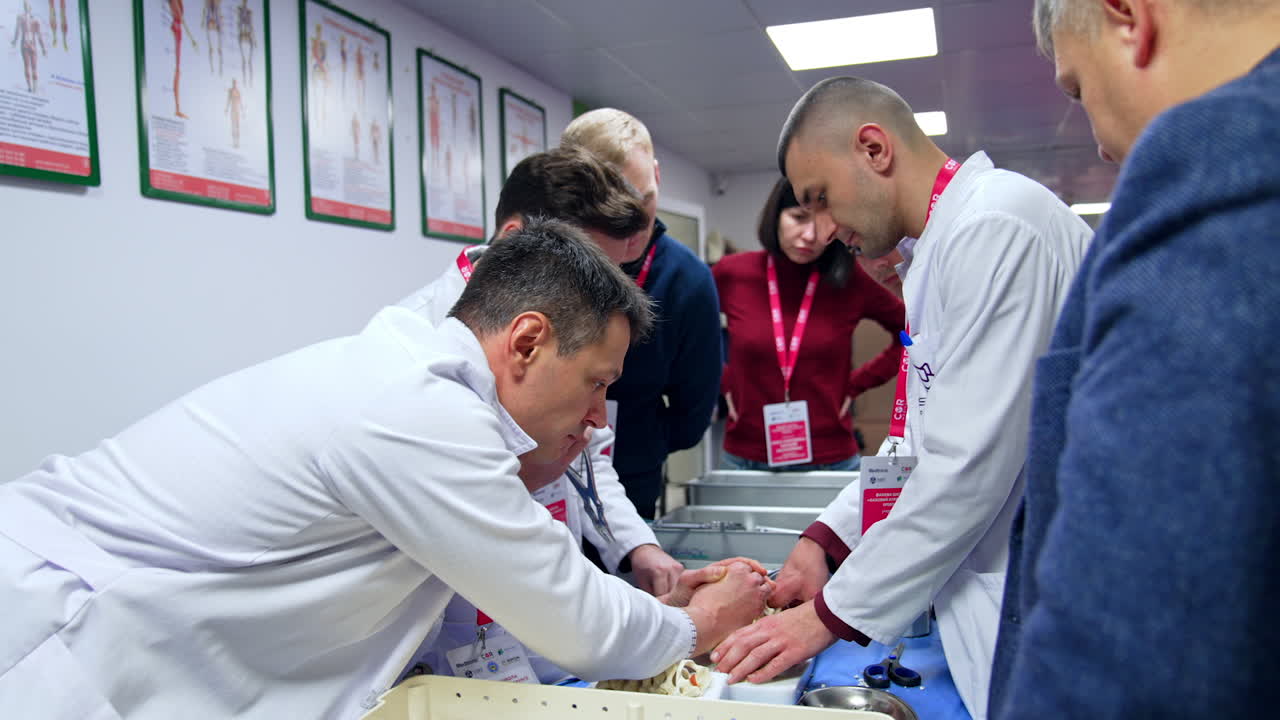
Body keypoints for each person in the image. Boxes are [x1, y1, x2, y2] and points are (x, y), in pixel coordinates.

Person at [0, 219, 770, 719]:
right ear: (528, 342)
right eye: (596, 384)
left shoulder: (418, 374)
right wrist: (696, 626)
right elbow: (570, 619)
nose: (600, 417)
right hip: (60, 639)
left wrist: (650, 604)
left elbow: (532, 591)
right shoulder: (419, 413)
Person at [711, 77, 1092, 720]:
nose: (824, 231)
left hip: (1049, 591)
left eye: (821, 199)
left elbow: (964, 468)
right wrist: (826, 539)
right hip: (998, 595)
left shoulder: (996, 226)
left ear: (873, 149)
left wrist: (827, 617)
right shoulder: (938, 251)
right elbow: (915, 439)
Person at [990, 2, 1280, 716]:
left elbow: (1133, 644)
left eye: (1079, 89)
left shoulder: (1223, 159)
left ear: (1129, 17)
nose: (1101, 144)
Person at [396, 147, 714, 683]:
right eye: (589, 267)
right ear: (518, 237)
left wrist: (637, 546)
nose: (601, 294)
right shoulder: (422, 352)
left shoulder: (560, 342)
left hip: (549, 625)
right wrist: (690, 625)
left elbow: (589, 458)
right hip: (462, 633)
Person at [561, 109, 722, 520]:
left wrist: (641, 444)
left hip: (633, 476)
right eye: (611, 210)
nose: (633, 228)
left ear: (656, 174)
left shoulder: (687, 279)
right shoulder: (547, 261)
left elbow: (694, 411)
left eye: (643, 201)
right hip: (539, 474)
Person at [714, 177, 904, 472]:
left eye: (824, 222)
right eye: (798, 217)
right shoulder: (732, 273)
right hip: (746, 455)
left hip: (831, 457)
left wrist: (854, 386)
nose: (810, 235)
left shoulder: (853, 279)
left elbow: (908, 333)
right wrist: (722, 382)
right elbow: (690, 334)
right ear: (775, 216)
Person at [168, 0, 197, 119]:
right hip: (176, 30)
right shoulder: (175, 4)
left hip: (178, 30)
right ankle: (177, 109)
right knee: (177, 71)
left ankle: (177, 108)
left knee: (178, 72)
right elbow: (178, 14)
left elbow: (180, 15)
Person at [10, 2, 46, 94]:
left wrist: (14, 41)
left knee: (27, 66)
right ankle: (34, 88)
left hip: (25, 43)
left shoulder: (21, 18)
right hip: (32, 44)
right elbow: (39, 36)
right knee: (34, 68)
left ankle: (31, 87)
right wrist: (43, 48)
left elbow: (17, 31)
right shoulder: (35, 21)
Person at [235, 0, 254, 87]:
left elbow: (251, 25)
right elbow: (239, 24)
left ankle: (249, 81)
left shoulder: (249, 12)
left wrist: (254, 39)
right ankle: (244, 81)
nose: (244, 2)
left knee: (249, 61)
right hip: (242, 35)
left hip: (247, 35)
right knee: (244, 61)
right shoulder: (239, 10)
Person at [224, 78, 242, 148]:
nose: (234, 84)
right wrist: (226, 109)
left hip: (237, 111)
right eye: (233, 83)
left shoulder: (238, 91)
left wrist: (242, 111)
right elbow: (228, 100)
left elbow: (240, 101)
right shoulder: (230, 91)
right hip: (232, 110)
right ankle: (234, 142)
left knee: (237, 126)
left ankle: (237, 143)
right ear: (232, 83)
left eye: (235, 83)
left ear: (236, 84)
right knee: (233, 126)